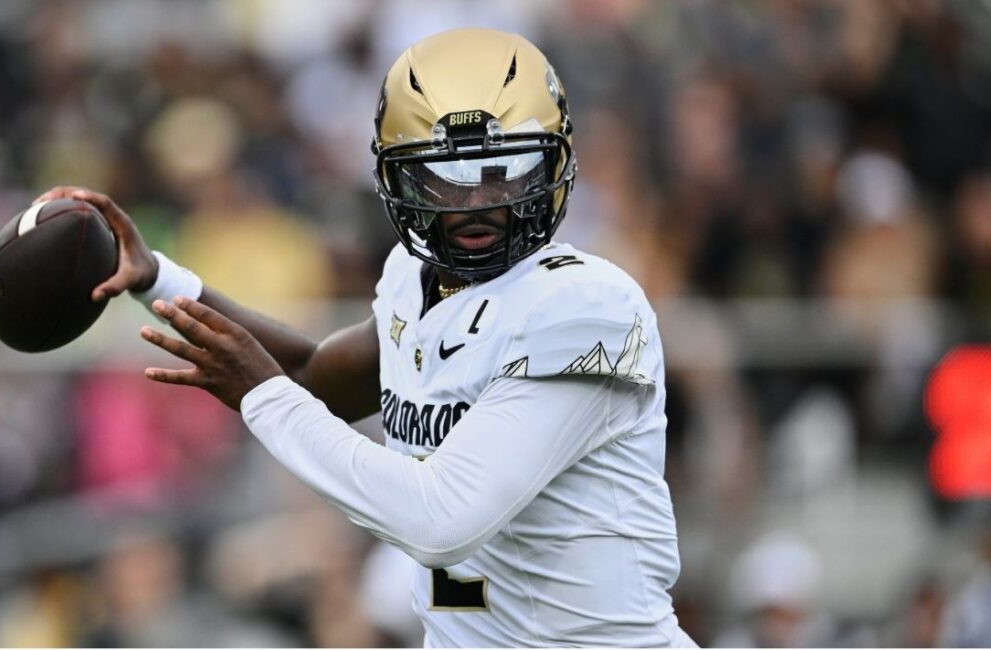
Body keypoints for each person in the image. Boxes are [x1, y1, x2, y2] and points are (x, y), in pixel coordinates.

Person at [38, 27, 693, 648]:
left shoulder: (584, 307)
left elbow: (439, 522)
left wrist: (262, 396)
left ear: (554, 164)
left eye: (506, 170)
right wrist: (158, 278)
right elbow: (318, 378)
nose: (477, 204)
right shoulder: (414, 279)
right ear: (395, 177)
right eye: (447, 176)